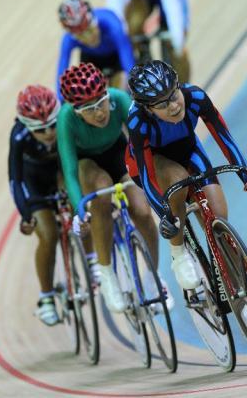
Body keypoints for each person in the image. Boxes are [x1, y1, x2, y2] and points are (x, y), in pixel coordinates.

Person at [125, 60, 247, 332]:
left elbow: (224, 138)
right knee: (177, 181)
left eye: (173, 95)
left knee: (218, 221)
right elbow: (146, 176)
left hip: (189, 149)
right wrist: (165, 215)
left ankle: (241, 298)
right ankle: (179, 254)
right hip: (154, 162)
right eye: (161, 104)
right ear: (147, 108)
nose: (173, 106)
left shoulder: (196, 97)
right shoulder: (138, 123)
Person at [57, 62, 173, 313]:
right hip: (87, 164)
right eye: (90, 108)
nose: (99, 112)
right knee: (101, 189)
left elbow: (142, 148)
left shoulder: (120, 100)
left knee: (142, 211)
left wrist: (152, 184)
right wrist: (80, 209)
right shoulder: (65, 119)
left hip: (117, 152)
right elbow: (69, 170)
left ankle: (153, 276)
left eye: (101, 102)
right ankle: (107, 274)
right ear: (76, 111)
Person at [8, 85, 61, 326]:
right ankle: (46, 298)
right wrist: (25, 214)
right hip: (34, 182)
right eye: (40, 130)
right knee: (49, 235)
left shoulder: (67, 120)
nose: (49, 133)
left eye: (52, 124)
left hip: (61, 172)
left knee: (85, 216)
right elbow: (15, 179)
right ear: (27, 127)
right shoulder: (19, 136)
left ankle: (92, 263)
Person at [56, 0, 135, 102]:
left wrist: (133, 86)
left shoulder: (111, 23)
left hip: (116, 55)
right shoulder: (68, 39)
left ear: (94, 22)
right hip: (91, 59)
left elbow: (128, 62)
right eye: (80, 36)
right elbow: (61, 74)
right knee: (87, 95)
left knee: (120, 94)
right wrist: (61, 102)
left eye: (89, 31)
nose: (88, 39)